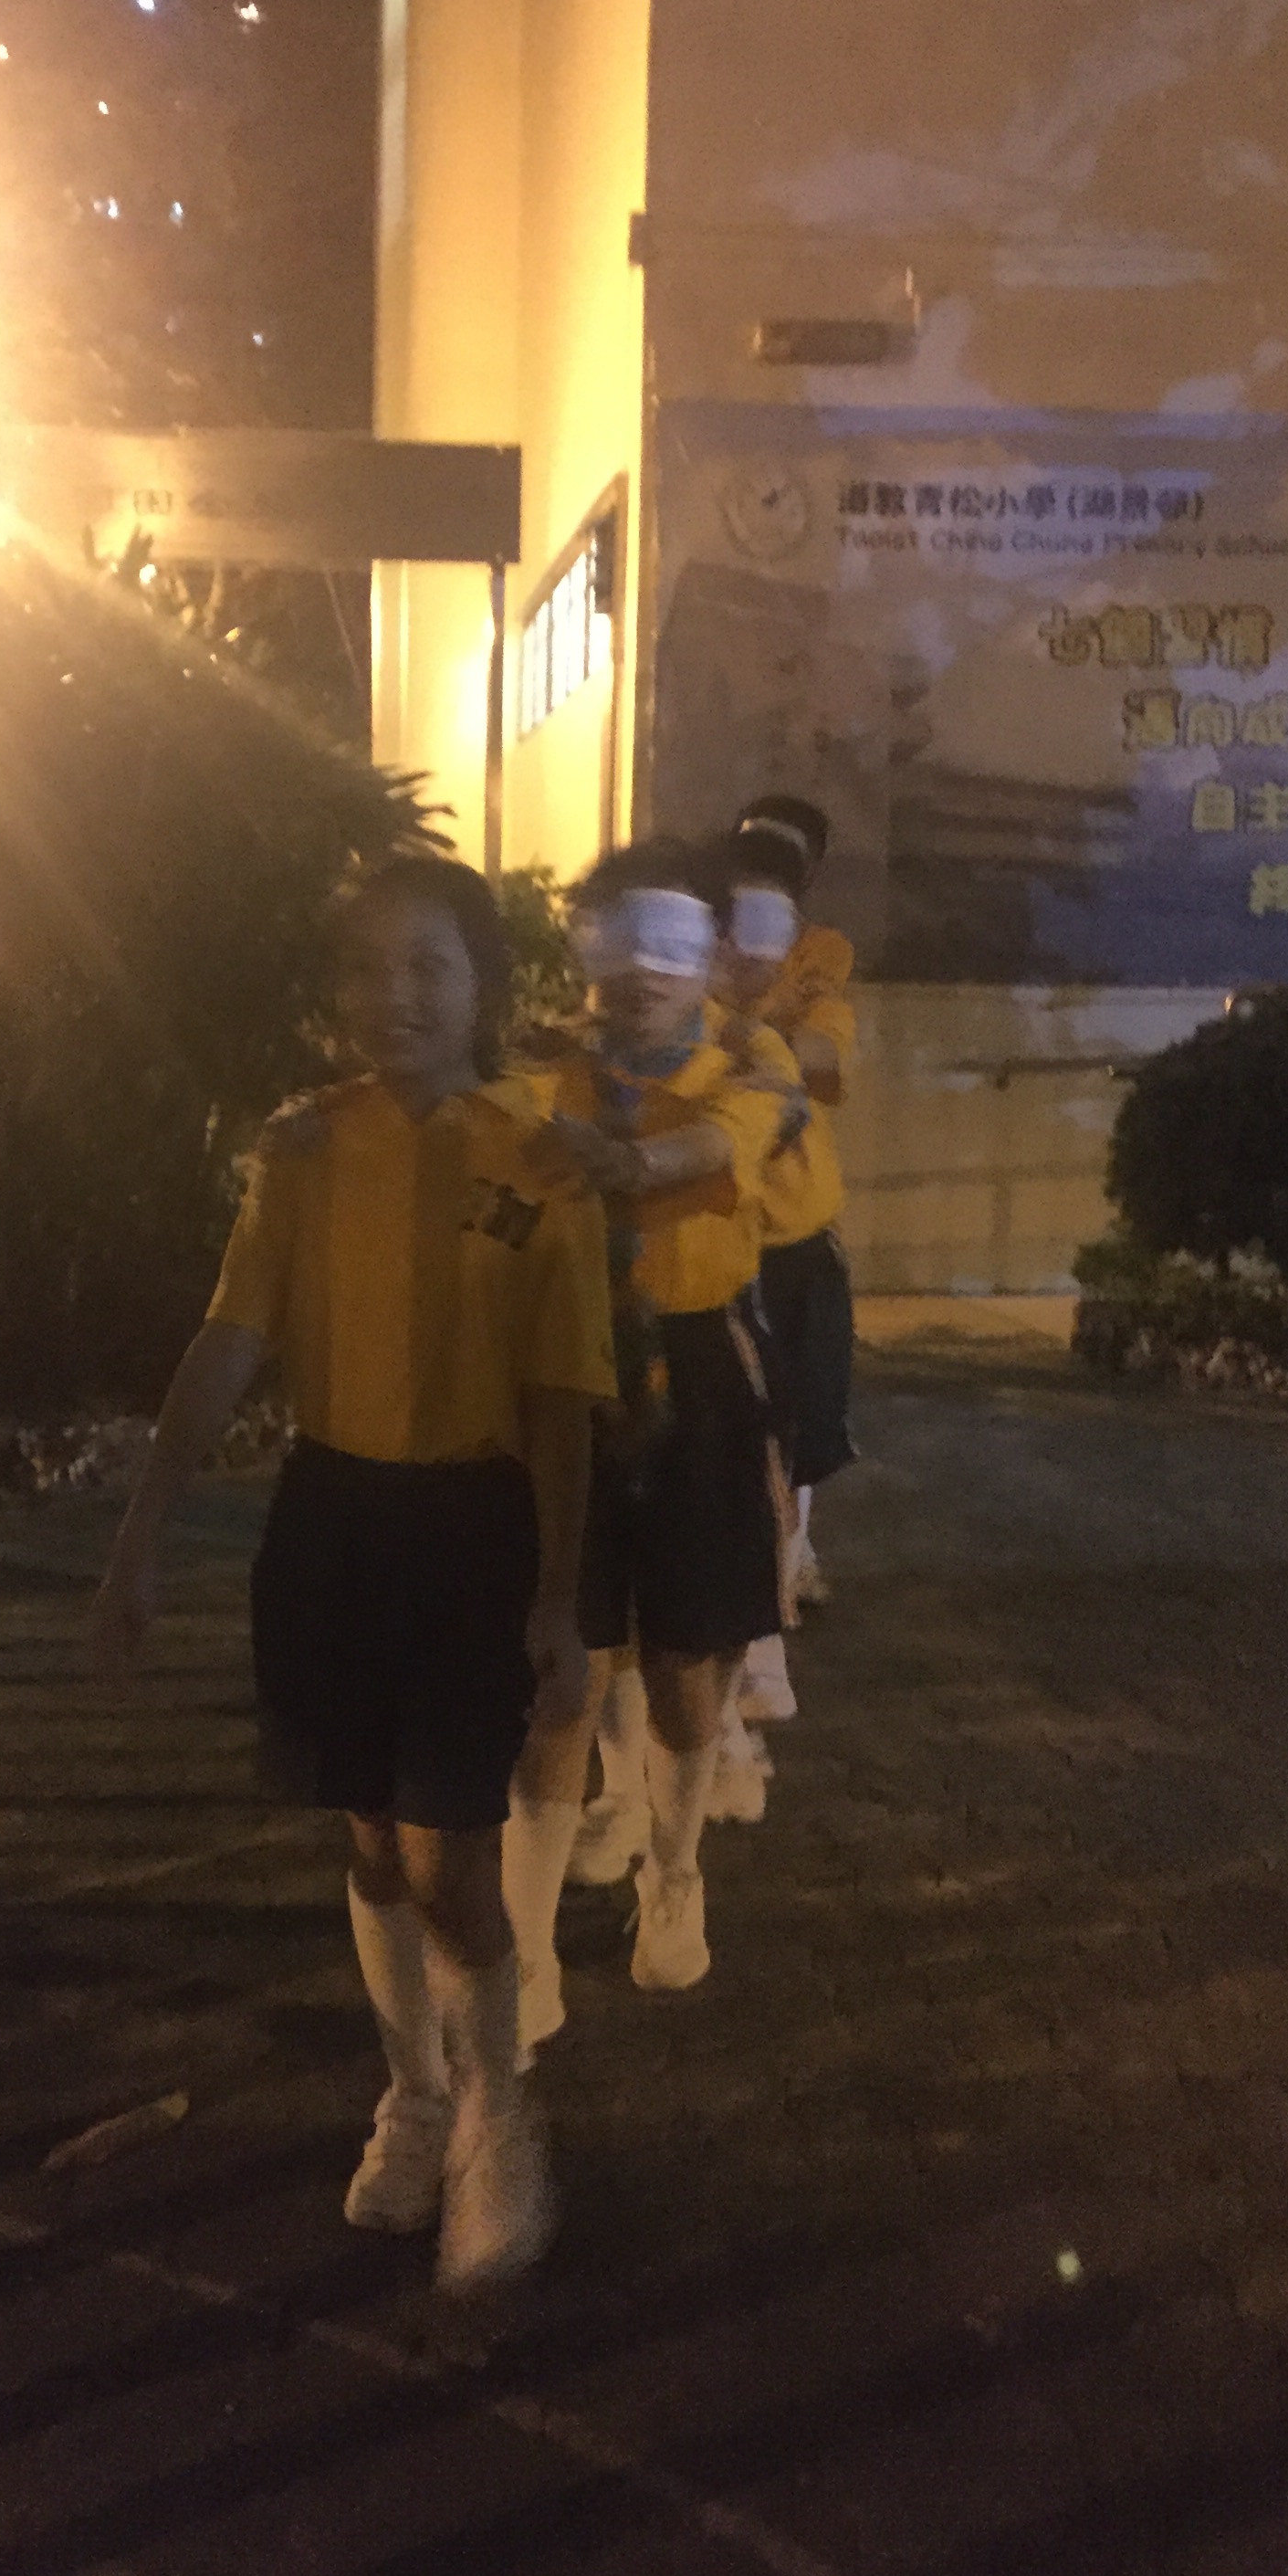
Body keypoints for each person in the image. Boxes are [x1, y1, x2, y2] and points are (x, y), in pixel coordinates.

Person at [91, 855, 613, 2292]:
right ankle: (417, 2096)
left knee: (449, 1855)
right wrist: (142, 1535)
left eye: (429, 966)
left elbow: (565, 1396)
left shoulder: (541, 1161)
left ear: (483, 986)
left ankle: (501, 2115)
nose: (397, 996)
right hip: (330, 1523)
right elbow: (229, 1342)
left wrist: (558, 1595)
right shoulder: (304, 1152)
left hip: (472, 1527)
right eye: (368, 968)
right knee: (373, 1840)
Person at [501, 839, 796, 2056]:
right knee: (558, 1675)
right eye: (613, 941)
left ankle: (672, 1874)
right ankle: (520, 1960)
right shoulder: (540, 1076)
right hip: (562, 1377)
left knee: (683, 1671)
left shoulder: (751, 1068)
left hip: (697, 1380)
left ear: (713, 956)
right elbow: (478, 1188)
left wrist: (616, 1160)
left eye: (669, 944)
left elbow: (716, 1146)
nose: (639, 971)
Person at [715, 798, 858, 1611]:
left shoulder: (819, 963)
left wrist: (745, 1022)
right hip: (722, 1233)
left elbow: (825, 1053)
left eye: (782, 881)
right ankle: (757, 1567)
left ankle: (790, 1560)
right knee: (736, 1419)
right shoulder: (694, 962)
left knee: (805, 1415)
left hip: (799, 1232)